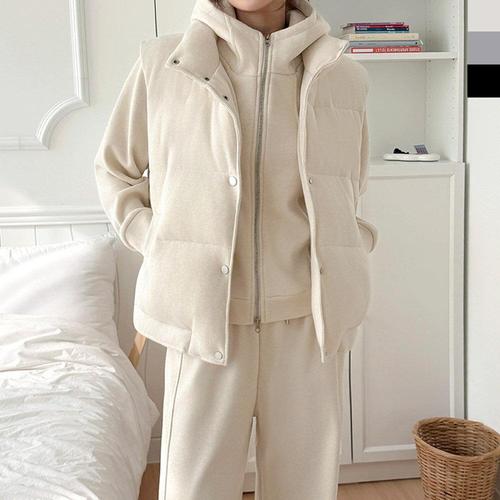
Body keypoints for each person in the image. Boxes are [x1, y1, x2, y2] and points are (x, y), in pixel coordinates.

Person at [94, 0, 379, 498]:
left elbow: (348, 185)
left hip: (308, 322)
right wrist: (157, 241)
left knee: (304, 490)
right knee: (194, 488)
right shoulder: (165, 63)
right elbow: (115, 170)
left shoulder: (343, 75)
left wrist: (352, 240)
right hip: (204, 319)